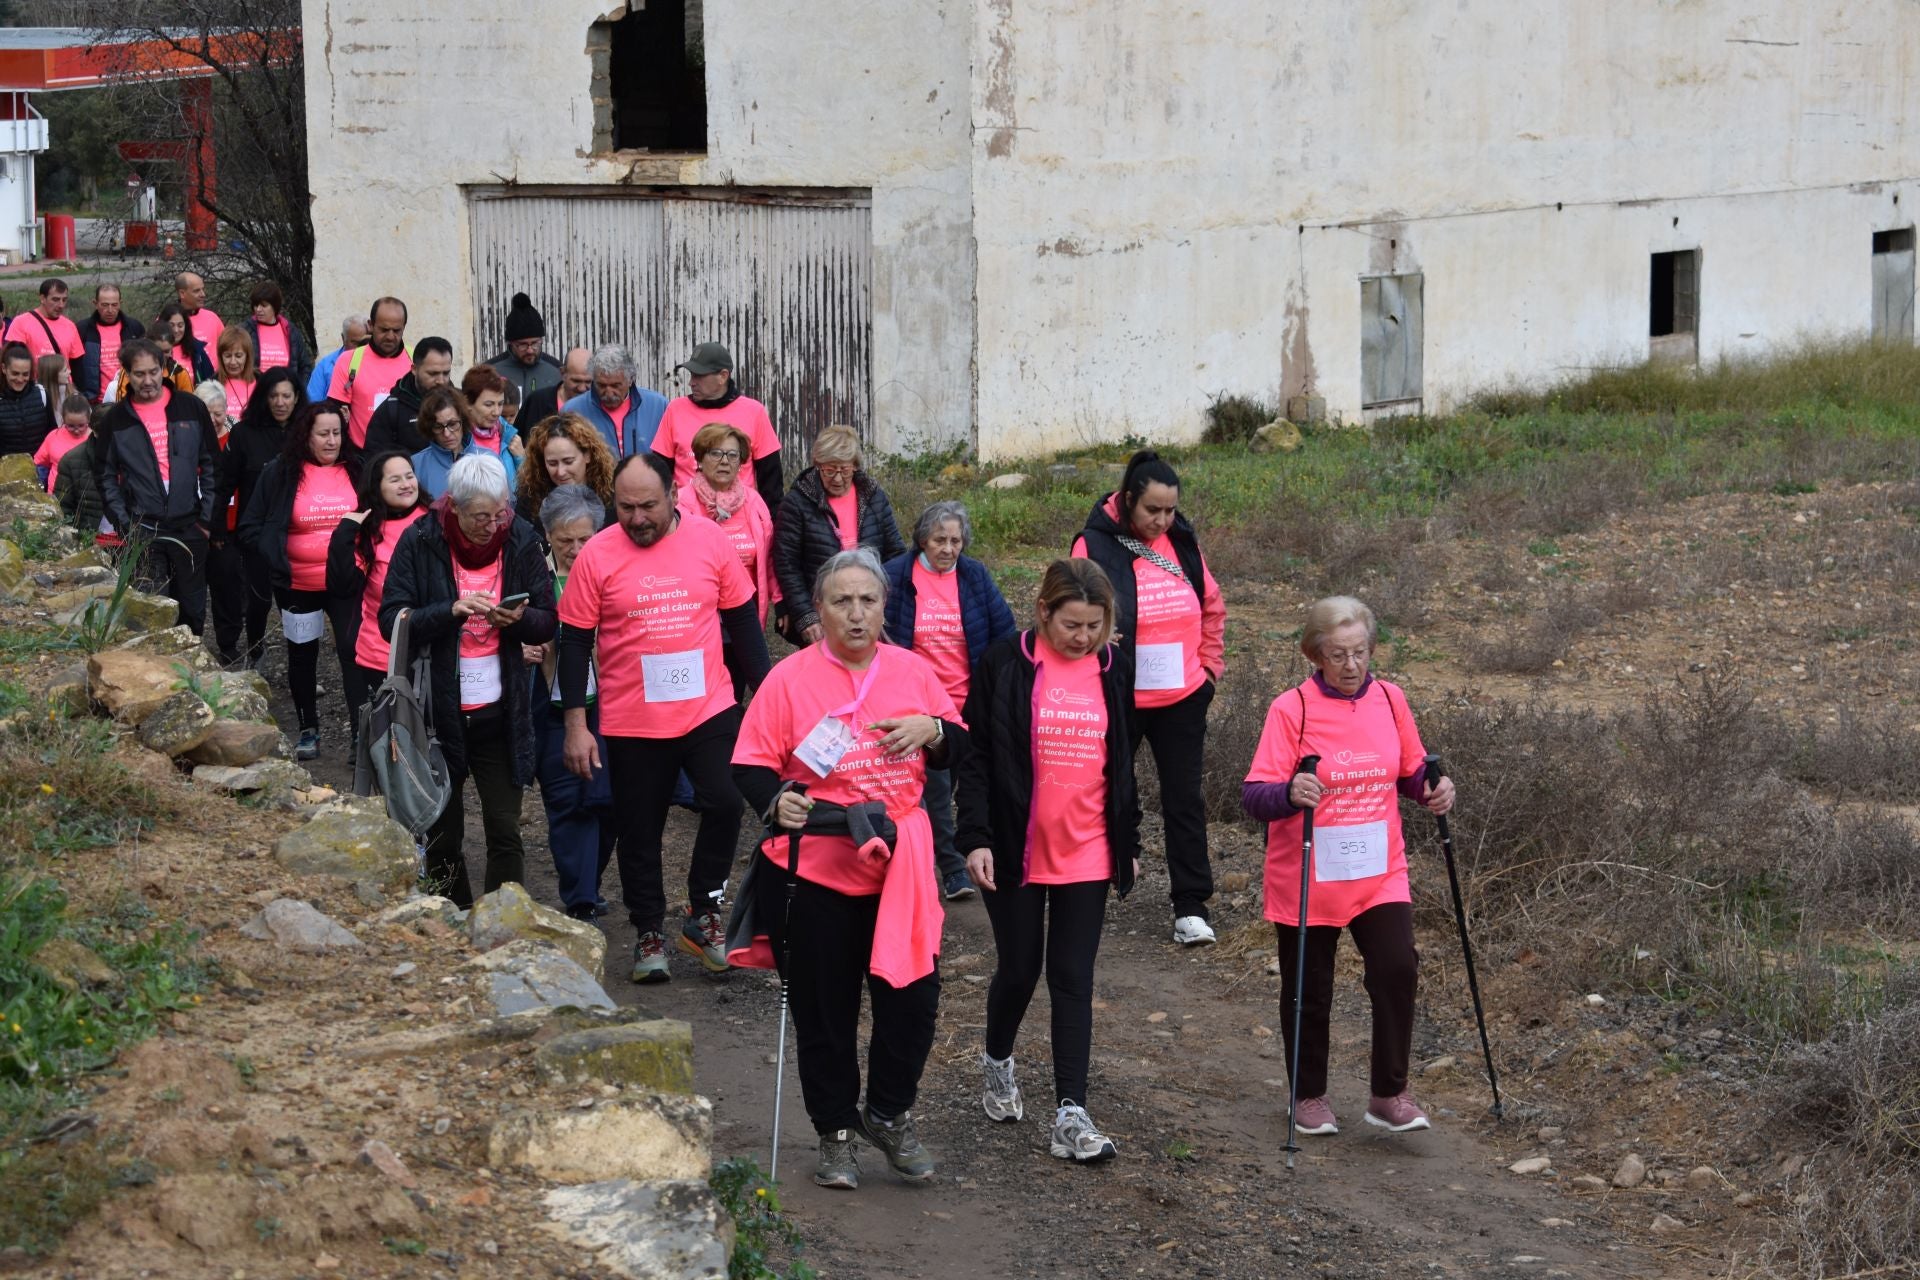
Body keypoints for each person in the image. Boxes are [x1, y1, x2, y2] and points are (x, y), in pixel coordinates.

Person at [728, 547, 965, 1189]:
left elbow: (958, 746)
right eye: (842, 601)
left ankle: (888, 1114)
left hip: (902, 869)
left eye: (868, 600)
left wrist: (933, 730)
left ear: (885, 607)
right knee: (824, 1010)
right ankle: (835, 1133)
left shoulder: (915, 672)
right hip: (814, 868)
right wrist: (779, 802)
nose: (857, 614)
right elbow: (749, 764)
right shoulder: (790, 679)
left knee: (912, 1006)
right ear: (820, 611)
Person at [1242, 595, 1457, 1138]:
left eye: (1360, 652)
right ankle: (1308, 1095)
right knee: (1310, 988)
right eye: (1337, 655)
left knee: (1396, 968)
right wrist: (1291, 791)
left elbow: (1409, 771)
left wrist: (1432, 788)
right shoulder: (1291, 709)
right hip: (1310, 871)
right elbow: (1255, 794)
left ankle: (1389, 1094)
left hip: (1379, 868)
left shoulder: (1389, 699)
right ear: (1315, 654)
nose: (1351, 665)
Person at [556, 452, 770, 983]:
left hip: (708, 705)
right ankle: (649, 929)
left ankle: (703, 913)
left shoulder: (710, 541)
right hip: (632, 718)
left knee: (725, 802)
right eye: (625, 507)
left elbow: (743, 625)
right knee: (639, 828)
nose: (637, 518)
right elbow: (575, 643)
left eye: (648, 505)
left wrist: (769, 698)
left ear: (675, 496)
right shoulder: (598, 554)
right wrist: (576, 724)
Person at [955, 558, 1137, 1162]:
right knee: (1020, 967)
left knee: (1073, 977)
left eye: (1094, 625)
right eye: (1072, 624)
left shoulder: (1114, 668)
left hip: (1088, 847)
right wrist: (974, 836)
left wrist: (1126, 841)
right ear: (1043, 613)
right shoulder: (1005, 662)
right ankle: (998, 1062)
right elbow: (976, 754)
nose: (1082, 637)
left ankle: (1070, 1114)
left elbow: (1124, 763)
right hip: (1014, 845)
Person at [380, 452, 557, 909]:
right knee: (441, 832)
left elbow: (546, 621)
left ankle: (503, 923)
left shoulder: (519, 537)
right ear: (453, 505)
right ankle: (451, 921)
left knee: (505, 828)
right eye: (481, 516)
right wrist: (449, 612)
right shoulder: (420, 540)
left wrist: (515, 621)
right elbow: (391, 619)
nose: (492, 525)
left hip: (502, 711)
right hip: (437, 714)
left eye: (500, 513)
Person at [1072, 448, 1227, 947]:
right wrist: (1096, 650)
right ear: (1127, 500)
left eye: (1171, 510)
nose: (1163, 520)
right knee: (1112, 791)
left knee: (1184, 799)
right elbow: (1071, 615)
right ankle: (1098, 882)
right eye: (1152, 510)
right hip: (1118, 693)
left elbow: (1211, 607)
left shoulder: (1180, 542)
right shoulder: (1092, 545)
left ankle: (1190, 906)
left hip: (1182, 696)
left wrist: (1208, 672)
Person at [883, 500, 1016, 901]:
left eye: (955, 540)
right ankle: (950, 868)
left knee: (959, 783)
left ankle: (935, 858)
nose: (948, 548)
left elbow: (1004, 634)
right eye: (940, 539)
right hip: (918, 704)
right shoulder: (897, 576)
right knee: (936, 789)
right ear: (923, 538)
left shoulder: (975, 577)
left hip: (968, 702)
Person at [236, 404, 363, 758]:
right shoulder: (280, 473)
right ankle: (309, 730)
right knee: (303, 655)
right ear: (305, 435)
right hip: (297, 584)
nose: (331, 440)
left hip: (346, 581)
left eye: (337, 432)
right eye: (323, 433)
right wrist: (276, 555)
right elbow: (250, 526)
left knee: (352, 652)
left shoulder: (357, 469)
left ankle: (359, 734)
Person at [523, 484, 616, 920]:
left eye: (585, 539)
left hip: (610, 704)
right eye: (565, 541)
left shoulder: (612, 571)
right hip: (550, 708)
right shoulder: (532, 574)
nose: (576, 550)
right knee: (566, 801)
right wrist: (520, 647)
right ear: (548, 536)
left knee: (607, 802)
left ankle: (588, 882)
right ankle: (579, 899)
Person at [94, 338, 219, 633]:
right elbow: (105, 475)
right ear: (126, 374)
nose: (148, 380)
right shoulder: (117, 419)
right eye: (139, 374)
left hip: (190, 525)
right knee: (153, 611)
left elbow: (213, 463)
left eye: (153, 372)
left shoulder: (190, 407)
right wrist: (125, 523)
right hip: (144, 530)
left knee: (192, 608)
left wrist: (206, 518)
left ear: (163, 369)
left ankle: (192, 670)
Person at [772, 424, 905, 645]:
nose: (837, 478)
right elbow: (787, 565)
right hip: (823, 608)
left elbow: (895, 553)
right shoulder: (797, 502)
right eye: (829, 470)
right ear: (817, 466)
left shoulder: (872, 497)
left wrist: (886, 605)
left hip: (866, 605)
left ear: (855, 466)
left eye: (844, 470)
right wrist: (806, 616)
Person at [326, 449, 430, 721]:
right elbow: (341, 586)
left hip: (430, 647)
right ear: (377, 486)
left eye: (409, 476)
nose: (406, 484)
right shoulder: (367, 528)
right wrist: (345, 533)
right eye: (395, 479)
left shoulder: (435, 520)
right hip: (380, 650)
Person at [214, 368, 306, 666]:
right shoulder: (244, 433)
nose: (280, 402)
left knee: (294, 602)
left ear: (296, 398)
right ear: (264, 398)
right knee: (259, 599)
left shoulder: (305, 432)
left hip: (298, 529)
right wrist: (217, 527)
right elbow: (225, 483)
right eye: (274, 396)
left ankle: (301, 660)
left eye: (286, 396)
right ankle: (255, 652)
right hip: (257, 533)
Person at [675, 422, 778, 638]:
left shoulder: (754, 501)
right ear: (700, 459)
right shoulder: (681, 504)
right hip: (699, 609)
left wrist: (780, 600)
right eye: (716, 453)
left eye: (733, 455)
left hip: (745, 608)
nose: (725, 461)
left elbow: (769, 556)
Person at [651, 342, 783, 500]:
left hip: (739, 516)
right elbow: (659, 473)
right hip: (687, 515)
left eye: (699, 376)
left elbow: (771, 481)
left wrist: (771, 522)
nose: (691, 382)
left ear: (723, 376)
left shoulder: (754, 412)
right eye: (692, 375)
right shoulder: (675, 410)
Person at [326, 296, 411, 451]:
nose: (390, 336)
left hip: (408, 458)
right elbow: (333, 413)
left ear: (404, 327)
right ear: (371, 325)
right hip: (363, 458)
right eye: (384, 330)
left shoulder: (415, 361)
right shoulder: (348, 361)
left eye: (397, 330)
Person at [562, 343, 667, 459]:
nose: (609, 393)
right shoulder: (572, 411)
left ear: (631, 379)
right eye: (601, 385)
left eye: (616, 386)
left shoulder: (659, 406)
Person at [361, 336, 455, 458]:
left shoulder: (459, 404)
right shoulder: (391, 410)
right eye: (433, 374)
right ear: (414, 369)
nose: (441, 381)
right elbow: (374, 462)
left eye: (446, 373)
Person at [515, 411, 614, 525]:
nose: (560, 472)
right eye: (552, 463)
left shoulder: (611, 495)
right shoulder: (530, 498)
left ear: (587, 456)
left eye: (568, 461)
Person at [76, 284, 143, 405]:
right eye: (105, 305)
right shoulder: (82, 330)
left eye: (114, 305)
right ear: (95, 303)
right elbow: (75, 366)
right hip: (94, 402)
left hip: (129, 397)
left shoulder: (134, 328)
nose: (110, 310)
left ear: (120, 303)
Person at [487, 293, 562, 402]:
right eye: (523, 345)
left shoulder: (557, 370)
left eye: (535, 343)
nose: (530, 350)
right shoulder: (490, 371)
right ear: (510, 343)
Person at [460, 364, 522, 488]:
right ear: (467, 403)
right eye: (489, 405)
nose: (496, 412)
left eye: (500, 404)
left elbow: (526, 485)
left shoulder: (509, 436)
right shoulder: (457, 441)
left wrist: (521, 458)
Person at [242, 281, 314, 386]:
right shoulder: (245, 330)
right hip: (256, 395)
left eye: (264, 305)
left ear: (275, 306)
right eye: (256, 305)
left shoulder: (291, 331)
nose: (258, 309)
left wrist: (298, 390)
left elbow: (305, 367)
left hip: (285, 396)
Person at [410, 387, 473, 499]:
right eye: (438, 427)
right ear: (429, 428)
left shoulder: (489, 459)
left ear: (463, 420)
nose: (447, 433)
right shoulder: (416, 465)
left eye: (452, 424)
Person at [4, 278, 85, 365]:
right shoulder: (21, 322)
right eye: (55, 299)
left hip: (63, 378)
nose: (61, 305)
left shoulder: (70, 326)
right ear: (42, 298)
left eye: (64, 300)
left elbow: (77, 365)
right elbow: (11, 360)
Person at [518, 346, 590, 429]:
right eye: (576, 381)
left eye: (588, 382)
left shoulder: (600, 406)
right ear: (562, 373)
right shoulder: (537, 402)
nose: (582, 388)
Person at [33, 393, 92, 492]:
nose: (76, 430)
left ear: (89, 419)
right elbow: (40, 465)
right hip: (56, 495)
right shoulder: (53, 436)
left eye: (81, 425)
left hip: (84, 497)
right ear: (63, 420)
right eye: (71, 426)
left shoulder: (94, 439)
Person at [306, 314, 369, 404]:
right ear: (343, 338)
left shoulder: (378, 363)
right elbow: (313, 405)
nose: (359, 348)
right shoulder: (326, 365)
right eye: (354, 342)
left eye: (364, 343)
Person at [148, 303, 212, 388]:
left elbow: (211, 382)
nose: (176, 330)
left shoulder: (197, 351)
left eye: (180, 325)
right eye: (171, 325)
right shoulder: (148, 350)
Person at [0, 343, 47, 458]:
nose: (20, 379)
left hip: (40, 469)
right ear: (4, 368)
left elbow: (52, 434)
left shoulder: (42, 394)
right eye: (15, 373)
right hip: (7, 471)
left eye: (25, 374)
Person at [216, 326, 257, 423]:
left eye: (238, 356)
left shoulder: (262, 383)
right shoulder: (212, 385)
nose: (233, 362)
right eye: (228, 356)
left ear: (248, 356)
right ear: (221, 357)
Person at [175, 271, 224, 350]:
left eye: (202, 289)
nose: (203, 294)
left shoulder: (212, 318)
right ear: (182, 294)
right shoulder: (167, 320)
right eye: (197, 291)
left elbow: (227, 347)